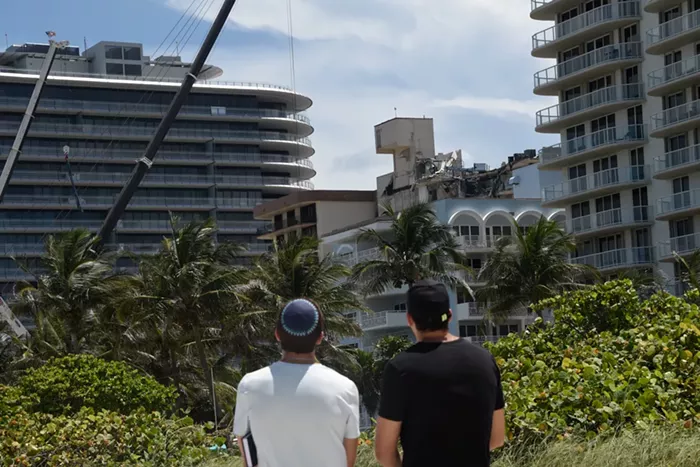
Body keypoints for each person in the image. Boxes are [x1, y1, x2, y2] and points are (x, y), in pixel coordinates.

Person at [374, 280, 506, 467]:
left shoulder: (399, 368)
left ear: (410, 319)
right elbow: (497, 438)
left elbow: (384, 452)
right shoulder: (485, 361)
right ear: (449, 316)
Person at [233, 298, 361, 467]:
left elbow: (247, 458)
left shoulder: (249, 385)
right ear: (320, 338)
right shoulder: (346, 388)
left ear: (277, 334)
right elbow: (348, 461)